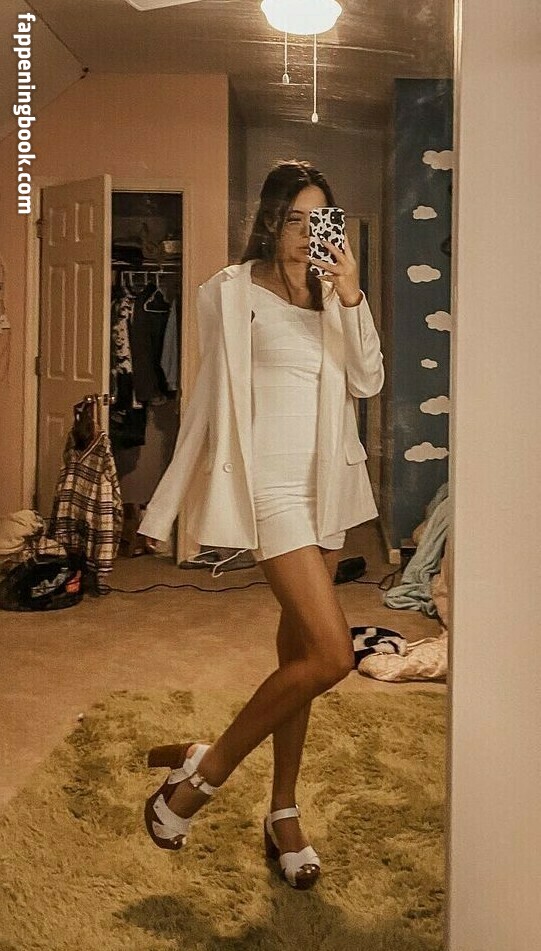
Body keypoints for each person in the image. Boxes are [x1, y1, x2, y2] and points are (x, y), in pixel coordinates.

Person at [138, 160, 384, 889]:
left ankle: (282, 809)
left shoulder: (336, 296)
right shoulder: (230, 290)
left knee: (300, 657)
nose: (307, 233)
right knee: (333, 655)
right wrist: (167, 504)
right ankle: (203, 775)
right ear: (271, 220)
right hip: (272, 490)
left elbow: (367, 380)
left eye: (320, 219)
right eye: (294, 218)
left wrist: (352, 295)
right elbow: (208, 397)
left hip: (328, 486)